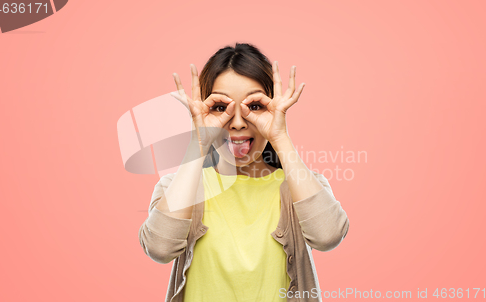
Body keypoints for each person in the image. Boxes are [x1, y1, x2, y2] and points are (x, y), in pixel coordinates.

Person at [138, 43, 350, 302]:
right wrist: (199, 143)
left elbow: (328, 236)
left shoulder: (300, 187)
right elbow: (159, 249)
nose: (237, 122)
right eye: (219, 107)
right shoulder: (177, 188)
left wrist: (280, 136)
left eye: (256, 106)